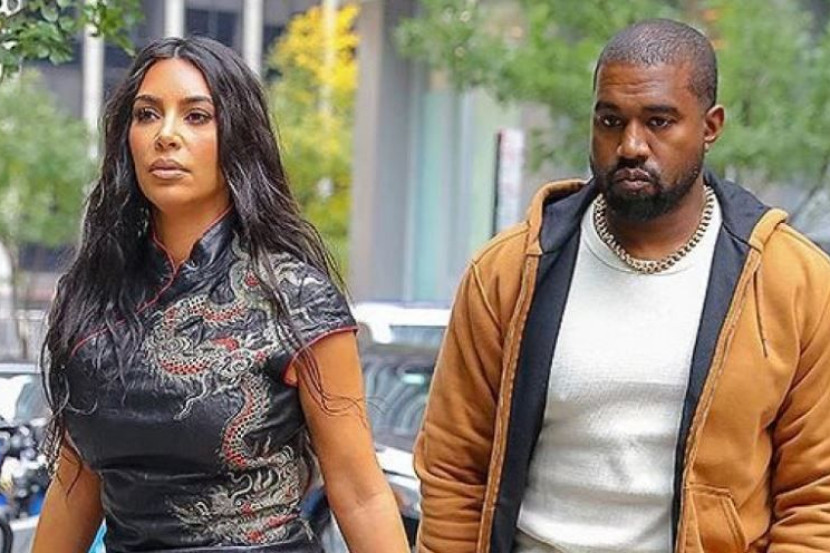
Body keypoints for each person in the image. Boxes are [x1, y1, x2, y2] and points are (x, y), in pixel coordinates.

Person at [415, 18, 830, 553]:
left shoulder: (793, 281)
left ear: (710, 127)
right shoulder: (509, 271)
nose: (631, 145)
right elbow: (453, 469)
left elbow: (816, 495)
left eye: (659, 121)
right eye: (611, 121)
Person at [32, 36, 409, 553]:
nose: (166, 135)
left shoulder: (295, 298)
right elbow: (75, 483)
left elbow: (361, 493)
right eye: (146, 115)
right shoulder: (91, 298)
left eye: (196, 116)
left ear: (237, 136)